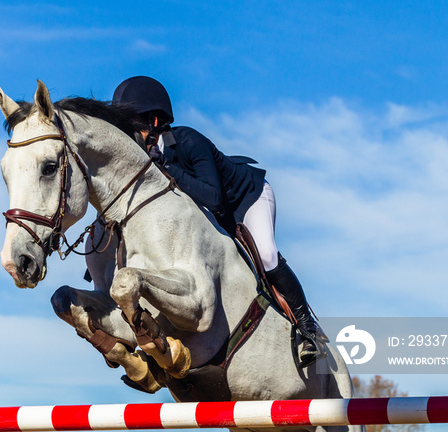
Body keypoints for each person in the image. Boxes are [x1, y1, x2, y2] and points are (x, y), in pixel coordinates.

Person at [112, 76, 321, 367]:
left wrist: (167, 167)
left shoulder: (187, 141)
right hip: (218, 211)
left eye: (133, 126)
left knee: (267, 254)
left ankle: (307, 328)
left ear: (155, 121)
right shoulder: (149, 161)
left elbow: (213, 196)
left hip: (247, 198)